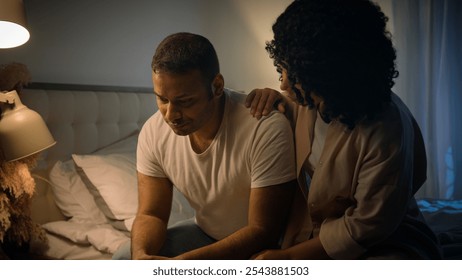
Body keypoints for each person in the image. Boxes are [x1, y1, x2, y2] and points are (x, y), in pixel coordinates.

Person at [246, 0, 442, 259]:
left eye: (290, 72)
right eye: (281, 69)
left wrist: (288, 258)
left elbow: (367, 226)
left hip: (386, 243)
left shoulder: (385, 129)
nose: (283, 84)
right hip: (320, 235)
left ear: (324, 74)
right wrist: (268, 97)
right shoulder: (309, 102)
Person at [113, 32, 297, 260]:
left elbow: (263, 231)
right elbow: (152, 214)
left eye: (185, 101)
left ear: (217, 86)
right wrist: (141, 257)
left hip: (263, 246)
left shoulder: (263, 126)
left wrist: (186, 265)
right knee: (123, 259)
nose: (171, 115)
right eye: (162, 99)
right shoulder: (153, 132)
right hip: (205, 232)